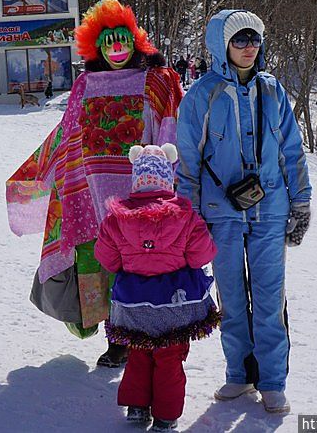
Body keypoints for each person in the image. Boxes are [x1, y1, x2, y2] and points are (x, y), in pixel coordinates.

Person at [6, 0, 183, 369]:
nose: (116, 47)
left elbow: (171, 129)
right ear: (95, 46)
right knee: (100, 267)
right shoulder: (86, 85)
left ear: (135, 39)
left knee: (139, 265)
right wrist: (43, 173)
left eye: (122, 37)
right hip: (91, 197)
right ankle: (116, 339)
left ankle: (145, 337)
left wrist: (173, 182)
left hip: (143, 196)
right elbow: (69, 134)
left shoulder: (157, 80)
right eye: (107, 41)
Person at [176, 10, 312, 414]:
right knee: (232, 298)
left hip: (270, 211)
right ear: (222, 45)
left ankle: (272, 381)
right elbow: (188, 162)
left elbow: (292, 151)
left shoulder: (273, 91)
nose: (249, 46)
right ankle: (238, 373)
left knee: (269, 299)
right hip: (221, 215)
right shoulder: (202, 94)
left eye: (254, 39)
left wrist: (301, 201)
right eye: (240, 39)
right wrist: (190, 217)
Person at [94, 144, 220, 431]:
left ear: (136, 178)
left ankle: (137, 408)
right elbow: (202, 255)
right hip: (174, 304)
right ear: (167, 178)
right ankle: (165, 417)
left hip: (134, 304)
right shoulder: (185, 216)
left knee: (138, 354)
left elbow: (108, 260)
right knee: (170, 359)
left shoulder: (116, 218)